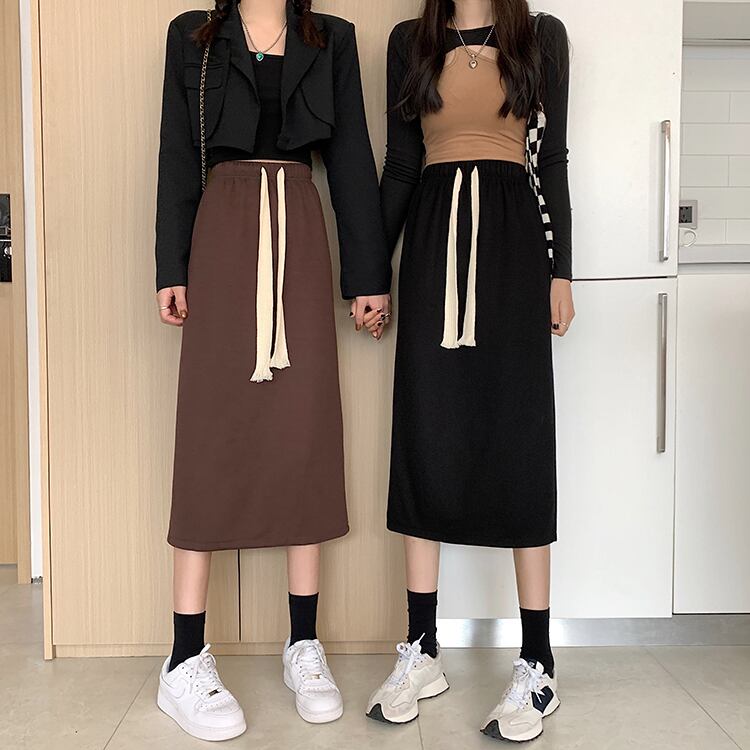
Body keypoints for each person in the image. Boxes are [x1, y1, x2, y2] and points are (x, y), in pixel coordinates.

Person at [154, 0, 391, 740]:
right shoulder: (193, 35)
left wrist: (368, 277)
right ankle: (183, 657)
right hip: (221, 236)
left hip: (300, 233)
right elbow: (175, 150)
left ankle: (303, 644)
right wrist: (170, 266)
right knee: (209, 435)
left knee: (303, 431)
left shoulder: (332, 38)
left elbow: (350, 157)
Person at [367, 0, 574, 743]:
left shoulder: (540, 36)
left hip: (515, 246)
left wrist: (562, 270)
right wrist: (370, 274)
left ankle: (538, 661)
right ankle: (422, 648)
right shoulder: (409, 40)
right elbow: (400, 164)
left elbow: (551, 159)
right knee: (425, 431)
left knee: (519, 437)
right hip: (431, 244)